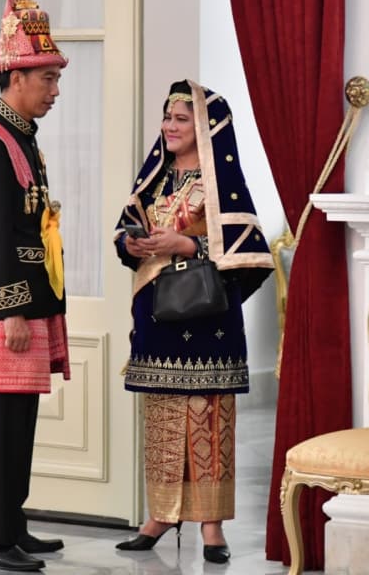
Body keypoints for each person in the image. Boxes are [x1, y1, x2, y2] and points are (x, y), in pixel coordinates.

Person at [113, 80, 274, 564]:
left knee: (209, 420)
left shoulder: (220, 182)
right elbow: (126, 227)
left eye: (181, 119)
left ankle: (211, 526)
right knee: (163, 417)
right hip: (158, 313)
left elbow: (252, 252)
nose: (169, 127)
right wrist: (133, 244)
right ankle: (159, 516)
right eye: (167, 118)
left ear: (205, 126)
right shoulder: (157, 178)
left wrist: (188, 246)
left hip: (208, 318)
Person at [0, 0, 71, 573]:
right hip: (12, 304)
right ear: (14, 78)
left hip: (34, 299)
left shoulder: (24, 138)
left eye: (55, 78)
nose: (54, 89)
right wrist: (11, 309)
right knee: (2, 416)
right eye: (47, 78)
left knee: (23, 416)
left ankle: (13, 524)